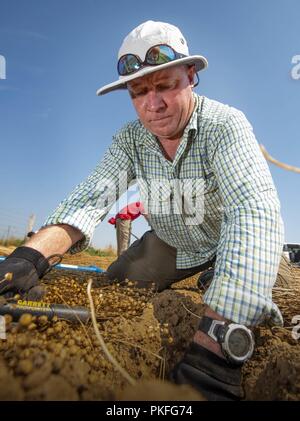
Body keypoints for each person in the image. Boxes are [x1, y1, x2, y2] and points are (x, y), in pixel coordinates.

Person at [0, 20, 285, 400]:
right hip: (171, 243)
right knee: (114, 287)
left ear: (190, 75)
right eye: (138, 91)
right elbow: (92, 196)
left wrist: (215, 354)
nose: (153, 104)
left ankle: (224, 278)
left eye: (165, 84)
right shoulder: (130, 139)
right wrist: (28, 257)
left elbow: (252, 211)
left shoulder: (226, 125)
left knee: (258, 280)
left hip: (226, 239)